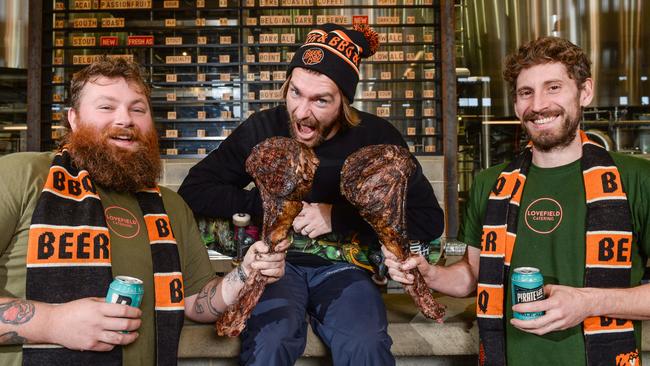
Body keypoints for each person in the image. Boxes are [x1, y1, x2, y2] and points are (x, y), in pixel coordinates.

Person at [178, 23, 444, 365]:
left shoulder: (377, 137)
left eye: (320, 100)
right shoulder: (262, 128)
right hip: (275, 267)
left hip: (344, 269)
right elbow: (194, 191)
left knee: (365, 343)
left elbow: (428, 219)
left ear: (344, 101)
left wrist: (335, 215)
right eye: (295, 93)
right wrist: (274, 206)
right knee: (270, 339)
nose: (302, 113)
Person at [0, 56, 289, 366]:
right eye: (106, 107)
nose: (125, 120)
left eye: (137, 109)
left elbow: (196, 302)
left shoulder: (170, 206)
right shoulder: (22, 175)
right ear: (73, 118)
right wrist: (51, 323)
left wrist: (246, 274)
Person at [383, 36, 650, 365]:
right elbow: (475, 274)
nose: (538, 105)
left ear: (585, 92)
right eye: (526, 92)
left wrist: (589, 303)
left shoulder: (636, 179)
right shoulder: (490, 183)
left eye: (553, 87)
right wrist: (431, 274)